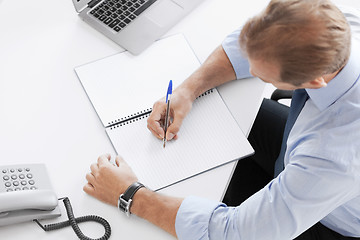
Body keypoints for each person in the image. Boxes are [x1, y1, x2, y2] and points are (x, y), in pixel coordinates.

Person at [83, 0, 360, 239]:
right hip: (303, 148)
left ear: (313, 81)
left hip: (329, 222)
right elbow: (249, 44)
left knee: (199, 202)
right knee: (223, 121)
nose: (249, 69)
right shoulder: (332, 23)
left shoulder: (332, 157)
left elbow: (236, 233)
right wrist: (188, 90)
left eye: (262, 75)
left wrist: (131, 195)